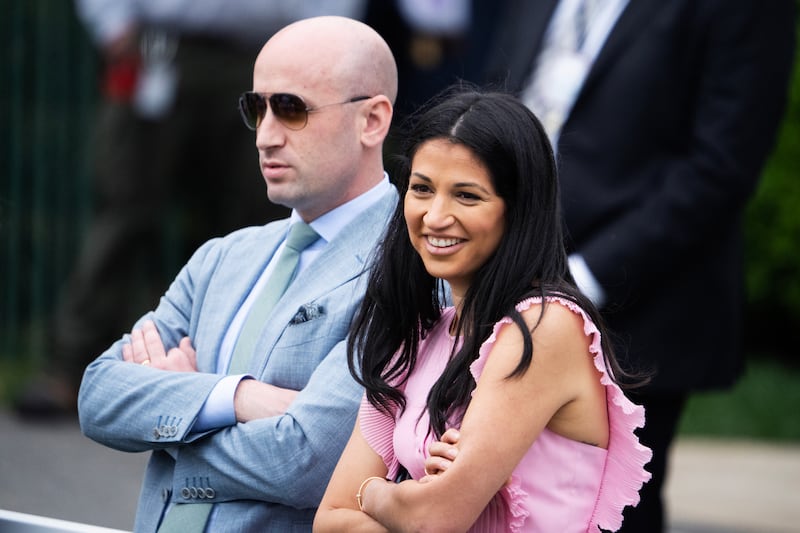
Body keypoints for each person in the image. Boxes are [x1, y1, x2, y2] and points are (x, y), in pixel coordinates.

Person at [481, 1, 797, 531]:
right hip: (498, 276)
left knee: (609, 515)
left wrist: (581, 278)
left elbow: (720, 165)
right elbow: (494, 98)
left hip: (635, 306)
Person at [77, 16, 398, 531]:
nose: (265, 136)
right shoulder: (222, 257)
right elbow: (97, 397)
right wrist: (235, 397)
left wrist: (172, 421)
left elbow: (307, 464)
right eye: (256, 108)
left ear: (372, 120)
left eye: (292, 109)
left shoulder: (411, 269)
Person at [313, 89, 652, 532]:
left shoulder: (544, 326)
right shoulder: (416, 333)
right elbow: (330, 520)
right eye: (422, 189)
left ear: (518, 211)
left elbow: (432, 519)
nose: (435, 216)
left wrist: (375, 492)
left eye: (467, 196)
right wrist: (405, 502)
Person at [13, 0, 368, 418]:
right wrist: (112, 23)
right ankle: (72, 364)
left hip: (268, 55)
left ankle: (268, 375)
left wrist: (327, 47)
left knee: (270, 216)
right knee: (125, 210)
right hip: (160, 51)